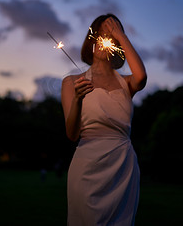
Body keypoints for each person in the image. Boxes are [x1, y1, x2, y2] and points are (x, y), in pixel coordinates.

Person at [61, 14, 147, 226]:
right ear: (91, 39)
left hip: (122, 166)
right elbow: (72, 134)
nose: (102, 40)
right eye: (99, 35)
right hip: (87, 166)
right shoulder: (71, 82)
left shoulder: (127, 83)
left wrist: (120, 34)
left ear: (117, 45)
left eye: (110, 36)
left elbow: (142, 77)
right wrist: (79, 99)